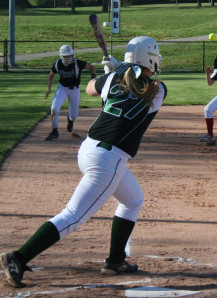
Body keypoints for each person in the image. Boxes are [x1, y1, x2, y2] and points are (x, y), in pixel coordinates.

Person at [0, 36, 167, 288]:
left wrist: (112, 71)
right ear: (149, 59)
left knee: (132, 200)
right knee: (73, 216)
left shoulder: (112, 79)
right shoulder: (158, 89)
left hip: (89, 149)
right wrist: (118, 68)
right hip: (110, 159)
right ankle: (18, 258)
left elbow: (91, 89)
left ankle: (115, 261)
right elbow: (136, 87)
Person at [45, 45, 96, 140]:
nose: (68, 58)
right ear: (61, 56)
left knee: (74, 115)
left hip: (75, 89)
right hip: (62, 88)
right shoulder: (58, 64)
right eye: (66, 56)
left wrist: (92, 79)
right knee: (54, 109)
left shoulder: (77, 63)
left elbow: (92, 67)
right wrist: (49, 88)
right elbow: (51, 74)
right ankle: (54, 131)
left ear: (73, 55)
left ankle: (70, 120)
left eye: (70, 56)